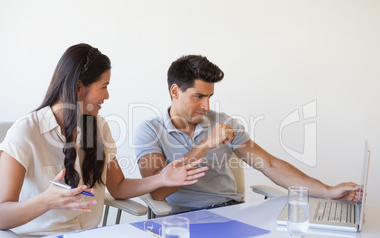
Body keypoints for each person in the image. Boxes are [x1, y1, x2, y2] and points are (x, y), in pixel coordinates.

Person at [0, 44, 208, 238]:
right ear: (78, 87)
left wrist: (162, 178)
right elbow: (1, 216)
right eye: (104, 86)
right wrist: (46, 200)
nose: (107, 95)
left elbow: (119, 187)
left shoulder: (98, 126)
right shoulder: (25, 131)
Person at [134, 55, 361, 214]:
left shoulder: (223, 121)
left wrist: (327, 191)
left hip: (233, 211)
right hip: (186, 219)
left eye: (210, 96)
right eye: (198, 96)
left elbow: (269, 164)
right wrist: (206, 145)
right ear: (175, 91)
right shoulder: (150, 131)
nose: (206, 104)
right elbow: (158, 193)